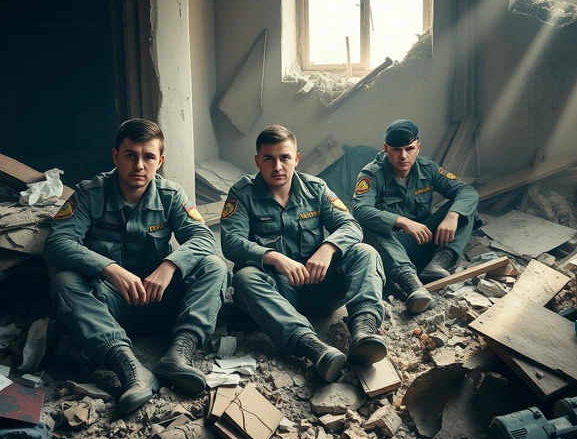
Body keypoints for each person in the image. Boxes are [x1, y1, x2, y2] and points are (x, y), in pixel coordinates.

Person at [44, 119, 227, 414]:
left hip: (161, 302)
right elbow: (57, 243)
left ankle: (180, 354)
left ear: (160, 161)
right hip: (111, 309)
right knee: (64, 281)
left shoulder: (171, 195)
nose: (139, 165)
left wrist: (170, 265)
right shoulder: (91, 194)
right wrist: (109, 268)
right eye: (131, 155)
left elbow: (203, 238)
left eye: (148, 156)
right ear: (116, 155)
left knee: (214, 267)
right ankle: (130, 368)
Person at [221, 125, 387, 383]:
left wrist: (328, 247)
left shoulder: (316, 188)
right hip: (277, 293)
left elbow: (351, 226)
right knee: (244, 278)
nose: (278, 166)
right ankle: (313, 348)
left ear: (296, 158)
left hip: (319, 287)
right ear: (258, 161)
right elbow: (230, 241)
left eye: (285, 157)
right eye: (269, 159)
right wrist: (273, 256)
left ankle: (364, 332)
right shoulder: (242, 193)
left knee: (365, 252)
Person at [353, 119, 479, 314]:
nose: (403, 156)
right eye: (396, 149)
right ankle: (413, 285)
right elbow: (360, 210)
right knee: (369, 229)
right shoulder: (372, 174)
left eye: (409, 149)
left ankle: (438, 264)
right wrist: (402, 222)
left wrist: (453, 215)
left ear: (418, 148)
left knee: (465, 208)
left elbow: (467, 191)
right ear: (386, 149)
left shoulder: (427, 168)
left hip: (426, 237)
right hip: (394, 246)